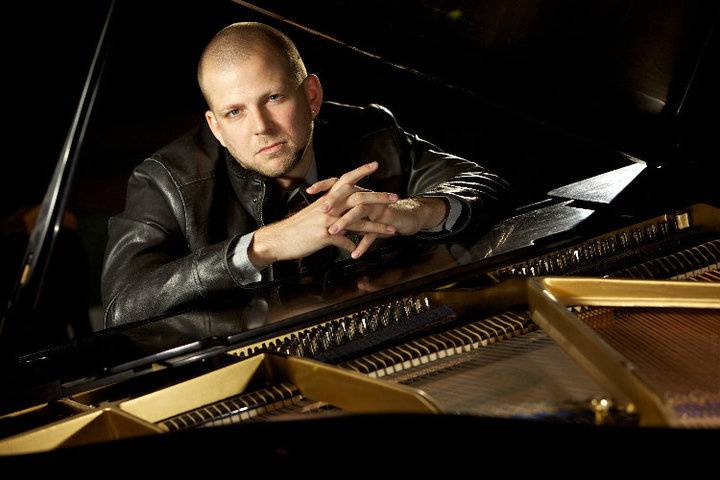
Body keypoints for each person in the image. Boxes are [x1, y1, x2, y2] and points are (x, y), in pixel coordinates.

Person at [101, 22, 510, 328]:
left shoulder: (371, 134)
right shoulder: (166, 181)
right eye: (235, 112)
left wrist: (417, 211)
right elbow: (124, 304)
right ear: (216, 127)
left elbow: (488, 185)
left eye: (274, 97)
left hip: (394, 335)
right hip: (247, 378)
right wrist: (264, 245)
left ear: (311, 96)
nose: (260, 126)